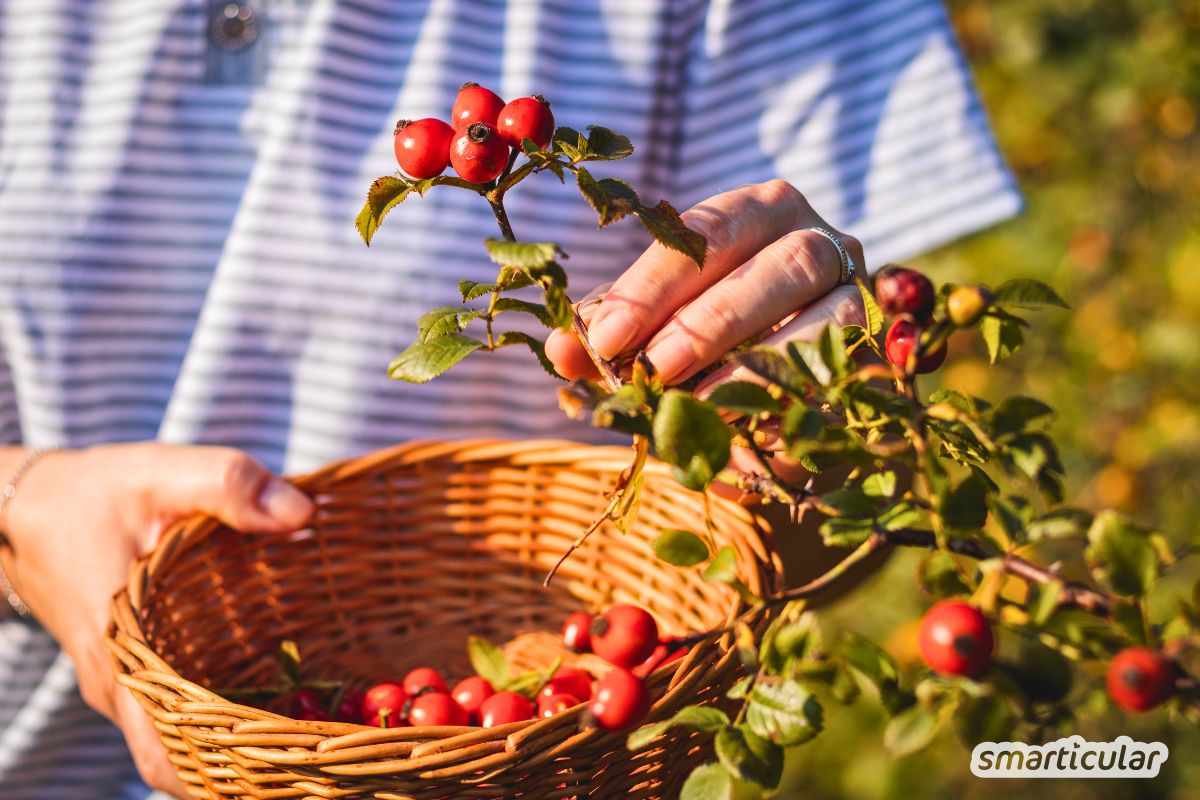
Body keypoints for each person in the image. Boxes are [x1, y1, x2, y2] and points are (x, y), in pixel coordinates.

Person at [0, 1, 1020, 797]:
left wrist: (817, 431)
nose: (488, 143)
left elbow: (843, 499)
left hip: (556, 760)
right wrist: (21, 498)